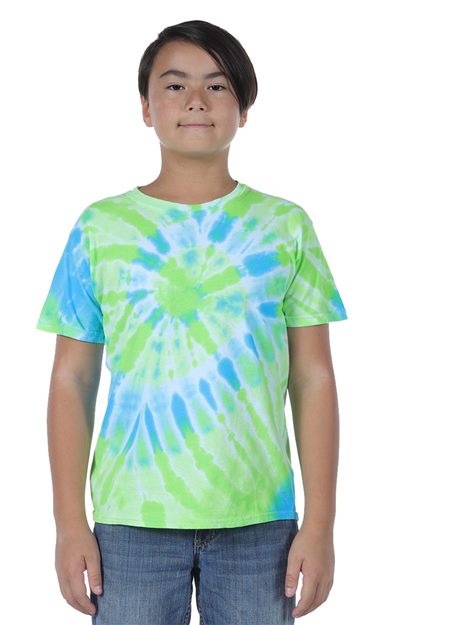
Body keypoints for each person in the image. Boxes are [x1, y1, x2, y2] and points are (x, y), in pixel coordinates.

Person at [36, 19, 348, 625]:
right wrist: (69, 522)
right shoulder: (101, 228)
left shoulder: (285, 227)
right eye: (175, 85)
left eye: (218, 85)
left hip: (261, 522)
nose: (197, 100)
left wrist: (321, 524)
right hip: (131, 520)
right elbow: (71, 379)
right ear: (146, 108)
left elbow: (313, 378)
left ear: (244, 109)